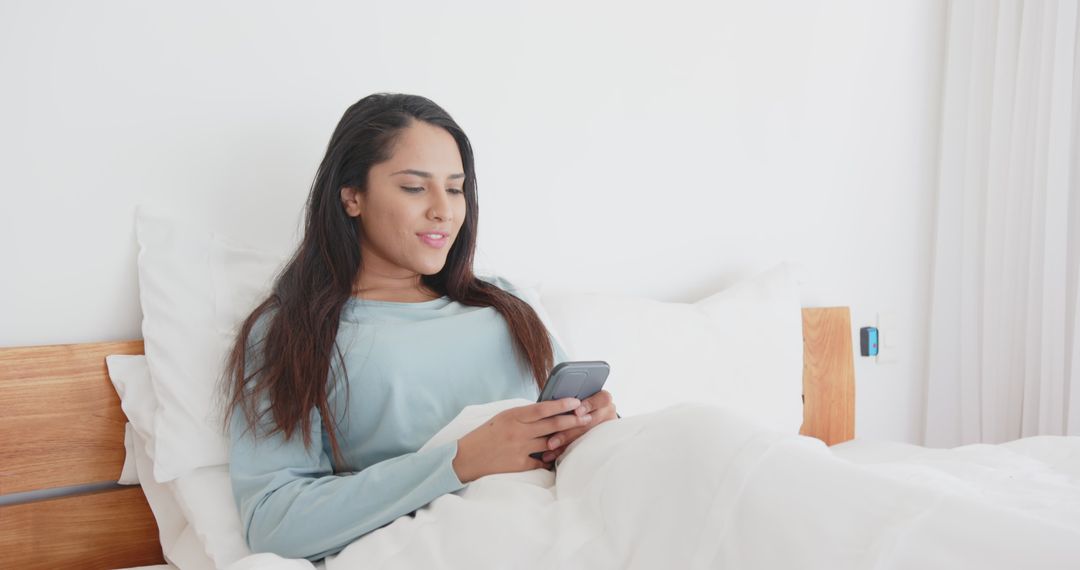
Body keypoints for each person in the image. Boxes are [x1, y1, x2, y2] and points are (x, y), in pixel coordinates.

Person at [217, 93, 619, 562]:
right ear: (352, 197)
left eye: (455, 189)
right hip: (462, 542)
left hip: (574, 521)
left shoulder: (505, 304)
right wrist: (461, 460)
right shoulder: (296, 332)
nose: (443, 210)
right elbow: (275, 522)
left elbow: (577, 440)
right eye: (414, 187)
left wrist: (597, 427)